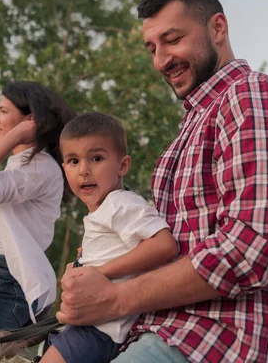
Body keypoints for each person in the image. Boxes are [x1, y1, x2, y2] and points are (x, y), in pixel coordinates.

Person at [57, 0, 268, 363]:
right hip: (158, 332)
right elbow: (170, 246)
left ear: (218, 27)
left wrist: (114, 298)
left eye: (173, 40)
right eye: (152, 48)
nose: (161, 60)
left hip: (219, 342)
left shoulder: (252, 97)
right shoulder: (193, 125)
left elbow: (250, 247)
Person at [41, 112, 178, 363]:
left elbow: (164, 245)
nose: (84, 170)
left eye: (97, 158)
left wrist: (101, 271)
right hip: (92, 326)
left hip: (99, 331)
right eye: (73, 161)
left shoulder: (120, 203)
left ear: (123, 165)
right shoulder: (104, 210)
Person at [0, 81, 75, 331]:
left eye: (3, 111)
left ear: (30, 120)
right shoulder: (21, 165)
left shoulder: (38, 167)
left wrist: (15, 137)